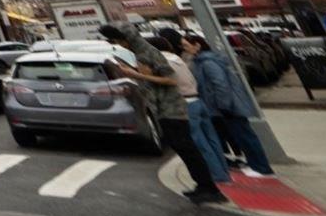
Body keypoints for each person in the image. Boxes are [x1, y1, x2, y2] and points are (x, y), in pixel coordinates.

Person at [98, 23, 225, 204]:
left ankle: (209, 188)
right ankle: (203, 185)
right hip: (163, 107)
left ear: (128, 39)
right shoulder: (140, 52)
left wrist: (135, 75)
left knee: (187, 147)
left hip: (171, 107)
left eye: (118, 40)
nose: (118, 44)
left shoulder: (148, 52)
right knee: (183, 147)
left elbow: (170, 79)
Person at [183, 31, 276, 179]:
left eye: (187, 46)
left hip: (227, 107)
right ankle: (256, 165)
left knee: (245, 137)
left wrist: (223, 106)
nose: (185, 49)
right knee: (243, 136)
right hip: (225, 106)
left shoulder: (208, 63)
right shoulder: (205, 61)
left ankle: (262, 168)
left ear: (197, 45)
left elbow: (220, 85)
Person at [155, 30, 228, 185]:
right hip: (197, 101)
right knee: (212, 139)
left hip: (186, 104)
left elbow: (168, 82)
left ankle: (216, 175)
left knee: (199, 144)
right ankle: (223, 172)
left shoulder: (163, 62)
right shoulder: (177, 58)